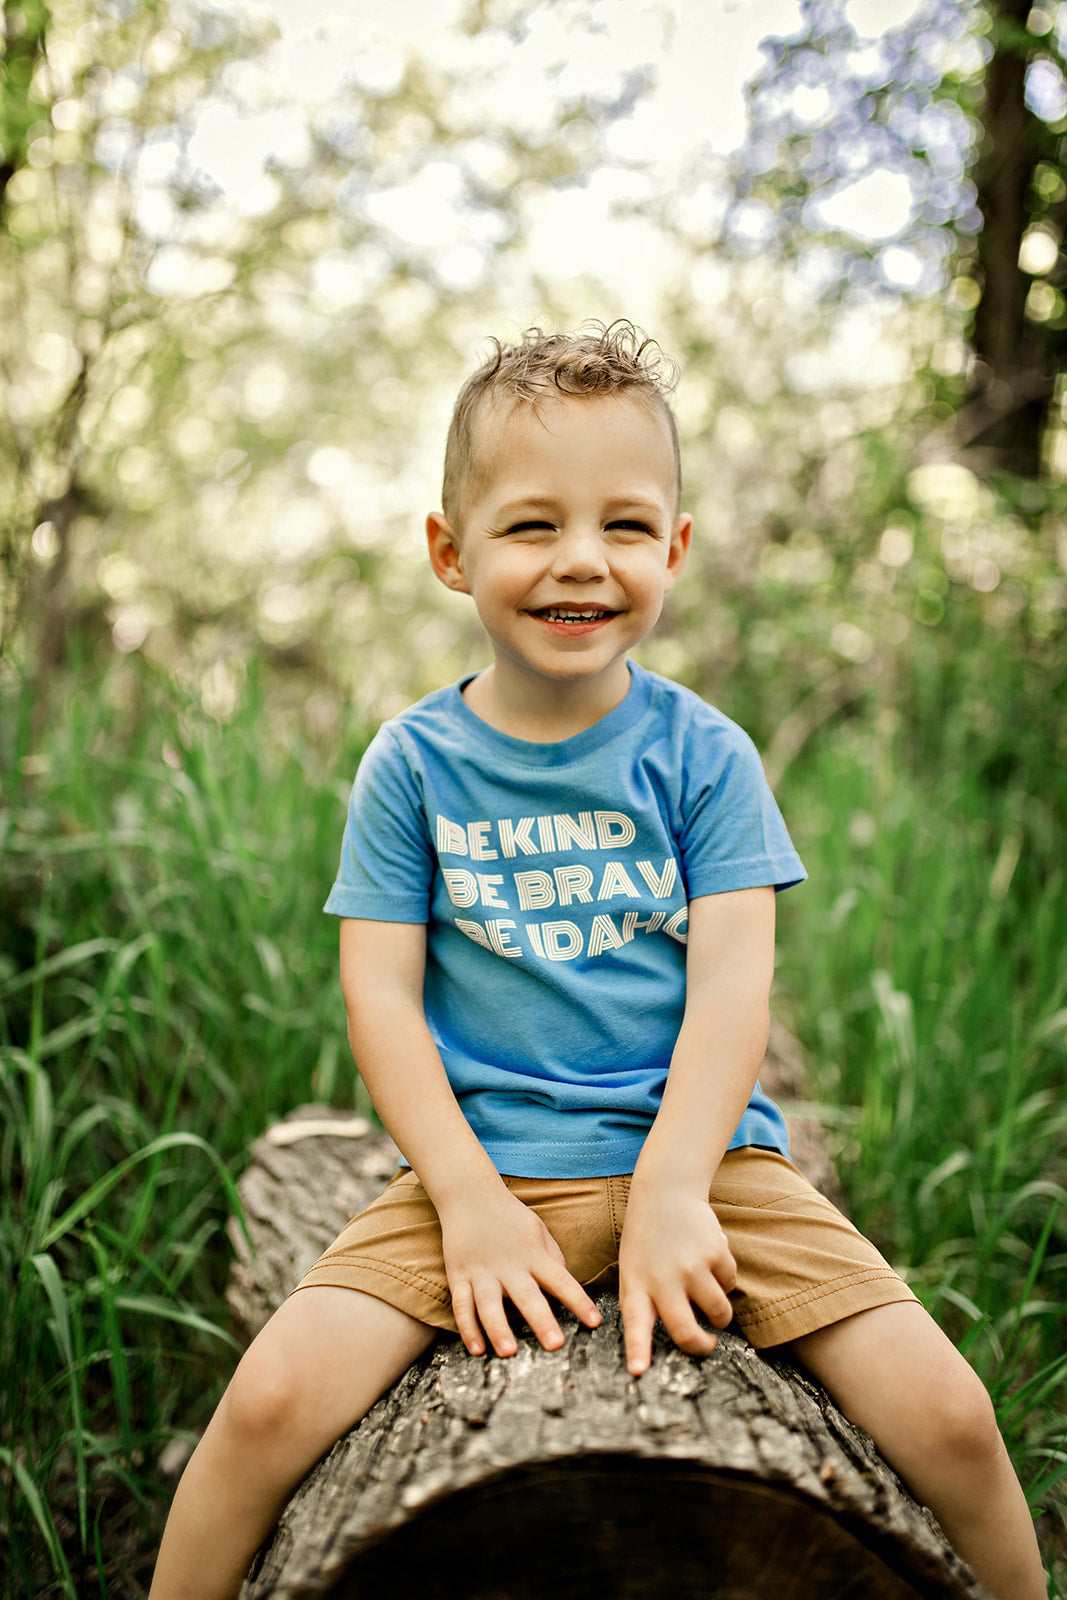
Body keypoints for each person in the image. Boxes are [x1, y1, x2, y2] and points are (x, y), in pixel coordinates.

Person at [149, 324, 1045, 1600]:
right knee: (263, 1410)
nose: (582, 560)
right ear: (449, 553)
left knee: (951, 1420)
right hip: (486, 1164)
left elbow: (735, 984)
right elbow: (381, 997)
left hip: (707, 1161)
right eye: (530, 526)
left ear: (673, 550)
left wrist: (678, 1184)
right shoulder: (411, 765)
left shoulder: (703, 756)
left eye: (624, 526)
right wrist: (462, 1198)